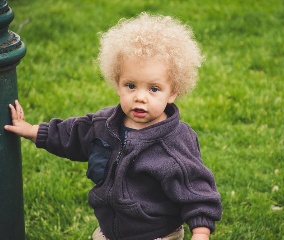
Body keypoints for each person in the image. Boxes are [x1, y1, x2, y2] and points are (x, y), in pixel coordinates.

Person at [4, 12, 222, 240]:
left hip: (156, 234)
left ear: (173, 92)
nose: (140, 97)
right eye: (130, 85)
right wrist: (30, 130)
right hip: (108, 232)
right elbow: (71, 135)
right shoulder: (104, 125)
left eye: (153, 89)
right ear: (117, 84)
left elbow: (197, 190)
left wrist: (200, 232)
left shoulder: (175, 141)